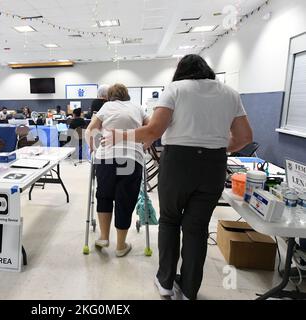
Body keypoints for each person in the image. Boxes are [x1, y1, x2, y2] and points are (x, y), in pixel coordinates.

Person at [104, 55, 253, 300]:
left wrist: (119, 136)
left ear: (180, 72)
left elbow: (153, 131)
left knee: (170, 221)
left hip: (179, 164)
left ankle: (165, 282)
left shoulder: (175, 89)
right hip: (214, 166)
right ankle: (189, 290)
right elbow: (245, 136)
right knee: (197, 228)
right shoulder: (230, 93)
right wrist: (218, 147)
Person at [85, 84, 149, 258]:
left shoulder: (106, 107)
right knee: (125, 199)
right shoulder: (138, 108)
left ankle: (104, 237)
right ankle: (121, 246)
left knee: (104, 195)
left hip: (106, 157)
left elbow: (91, 129)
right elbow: (150, 129)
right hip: (131, 157)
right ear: (127, 95)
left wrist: (92, 148)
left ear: (109, 97)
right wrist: (146, 144)